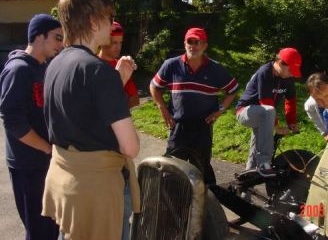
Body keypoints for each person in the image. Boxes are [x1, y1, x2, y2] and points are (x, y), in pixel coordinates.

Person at [41, 0, 141, 240]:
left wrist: (116, 81)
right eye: (108, 18)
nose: (112, 25)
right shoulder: (98, 71)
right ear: (93, 22)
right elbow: (130, 147)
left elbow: (82, 113)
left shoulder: (55, 63)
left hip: (68, 182)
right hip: (96, 190)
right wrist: (113, 82)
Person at [0, 14, 63, 240]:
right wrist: (47, 149)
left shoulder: (42, 67)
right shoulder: (19, 70)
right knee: (38, 230)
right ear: (39, 36)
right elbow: (13, 121)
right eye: (57, 38)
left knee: (50, 227)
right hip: (27, 166)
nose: (61, 44)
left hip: (44, 163)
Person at [149, 27, 239, 184]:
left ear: (204, 46)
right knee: (173, 168)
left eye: (198, 42)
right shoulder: (171, 65)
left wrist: (220, 111)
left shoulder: (216, 69)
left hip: (203, 126)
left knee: (201, 169)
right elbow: (154, 86)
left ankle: (204, 203)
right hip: (178, 126)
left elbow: (232, 91)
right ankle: (172, 201)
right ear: (185, 43)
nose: (193, 46)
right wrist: (162, 108)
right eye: (190, 41)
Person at [99, 21, 138, 240]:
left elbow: (133, 99)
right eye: (113, 42)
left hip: (120, 135)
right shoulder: (94, 65)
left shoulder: (120, 64)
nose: (117, 48)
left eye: (120, 43)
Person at [236, 48, 302, 176]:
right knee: (270, 110)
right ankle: (264, 162)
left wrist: (291, 122)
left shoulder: (287, 78)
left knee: (254, 153)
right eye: (291, 70)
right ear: (281, 63)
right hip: (245, 112)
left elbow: (291, 101)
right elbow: (266, 103)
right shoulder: (265, 72)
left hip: (264, 116)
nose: (292, 74)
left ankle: (247, 182)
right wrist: (276, 127)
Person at [98, 21, 140, 109]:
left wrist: (116, 109)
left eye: (120, 43)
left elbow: (135, 99)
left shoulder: (122, 65)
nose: (119, 47)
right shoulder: (90, 64)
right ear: (103, 42)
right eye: (114, 43)